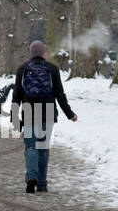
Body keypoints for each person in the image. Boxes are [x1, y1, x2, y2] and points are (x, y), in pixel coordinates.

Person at [12, 40, 77, 193]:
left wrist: (14, 116)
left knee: (30, 146)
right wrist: (70, 114)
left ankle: (31, 177)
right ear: (43, 53)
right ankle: (41, 183)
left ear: (31, 53)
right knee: (43, 147)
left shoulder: (23, 68)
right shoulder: (52, 69)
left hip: (28, 111)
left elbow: (17, 94)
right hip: (48, 111)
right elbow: (60, 94)